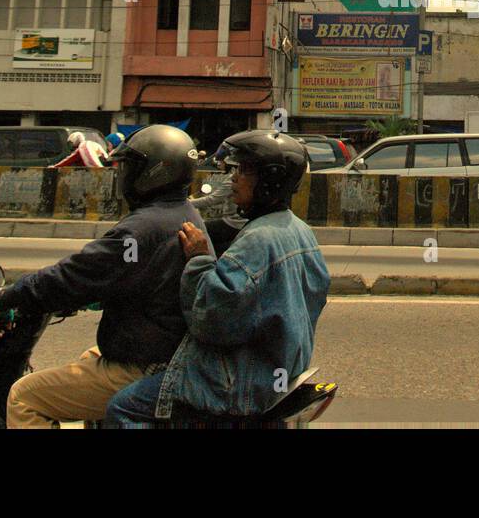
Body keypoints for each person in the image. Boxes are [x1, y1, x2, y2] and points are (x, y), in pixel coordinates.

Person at [0, 124, 207, 427]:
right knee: (88, 358)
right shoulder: (183, 212)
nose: (124, 175)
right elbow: (128, 274)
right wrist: (100, 295)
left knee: (25, 396)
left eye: (131, 167)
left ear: (155, 172)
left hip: (148, 363)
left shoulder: (141, 228)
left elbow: (72, 275)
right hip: (167, 349)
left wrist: (8, 298)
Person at [105, 131, 330, 426]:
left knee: (123, 408)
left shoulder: (258, 240)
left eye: (245, 170)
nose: (234, 178)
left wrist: (199, 259)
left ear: (269, 180)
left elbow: (210, 320)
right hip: (277, 368)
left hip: (238, 383)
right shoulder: (298, 230)